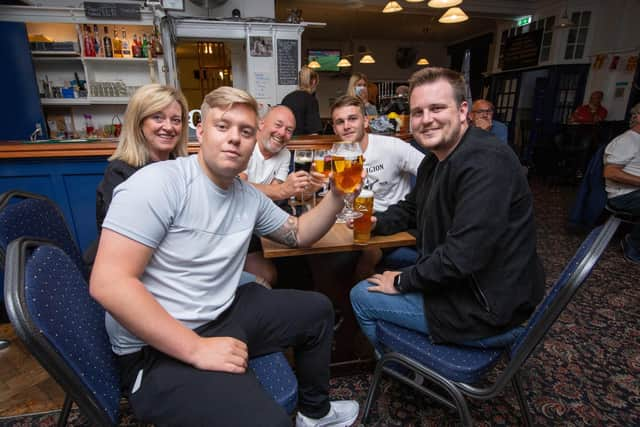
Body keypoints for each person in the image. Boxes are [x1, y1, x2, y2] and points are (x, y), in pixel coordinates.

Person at [90, 86, 360, 427]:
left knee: (318, 310)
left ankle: (315, 413)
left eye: (245, 131)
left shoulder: (247, 195)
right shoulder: (156, 184)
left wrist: (337, 196)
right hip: (154, 349)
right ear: (200, 131)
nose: (235, 138)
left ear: (255, 139)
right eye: (223, 126)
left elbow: (299, 233)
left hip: (220, 313)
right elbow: (108, 284)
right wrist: (195, 348)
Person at [350, 67, 545, 354]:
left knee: (361, 295)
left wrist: (403, 281)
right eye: (418, 112)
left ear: (463, 110)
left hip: (487, 306)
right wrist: (376, 221)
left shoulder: (486, 162)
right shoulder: (436, 160)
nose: (426, 120)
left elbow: (462, 256)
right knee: (382, 273)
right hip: (466, 285)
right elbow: (411, 209)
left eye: (437, 108)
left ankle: (404, 366)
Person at [331, 95, 424, 279]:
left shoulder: (393, 147)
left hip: (391, 227)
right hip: (351, 225)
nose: (346, 126)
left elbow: (432, 172)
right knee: (322, 259)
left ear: (366, 121)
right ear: (334, 128)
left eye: (352, 118)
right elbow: (332, 196)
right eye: (340, 122)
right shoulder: (336, 154)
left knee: (364, 259)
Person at [239, 105, 325, 284]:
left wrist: (308, 190)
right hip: (242, 224)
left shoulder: (285, 154)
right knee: (268, 274)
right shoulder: (246, 145)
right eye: (278, 125)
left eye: (289, 130)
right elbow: (240, 187)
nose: (282, 133)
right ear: (261, 124)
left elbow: (276, 196)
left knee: (306, 260)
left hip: (265, 220)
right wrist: (282, 190)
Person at [95, 84, 189, 232]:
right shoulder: (119, 173)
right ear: (138, 123)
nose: (169, 127)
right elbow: (126, 234)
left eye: (176, 120)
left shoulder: (183, 167)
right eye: (158, 118)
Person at [603, 102, 640, 264]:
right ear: (638, 117)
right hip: (623, 195)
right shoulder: (627, 140)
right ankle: (633, 245)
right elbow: (610, 172)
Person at [281, 65, 323, 135]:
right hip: (303, 143)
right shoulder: (311, 100)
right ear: (313, 81)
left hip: (287, 143)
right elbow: (314, 132)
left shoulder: (287, 98)